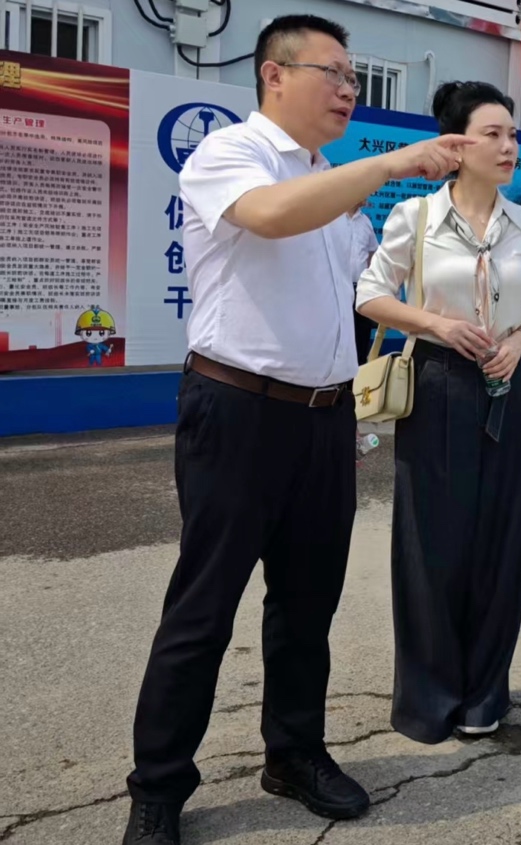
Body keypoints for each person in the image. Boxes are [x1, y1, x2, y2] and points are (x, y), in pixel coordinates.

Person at [122, 16, 472, 844]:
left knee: (307, 603)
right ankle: (158, 786)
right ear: (274, 75)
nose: (350, 90)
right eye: (335, 73)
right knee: (203, 607)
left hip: (324, 420)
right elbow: (272, 217)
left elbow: (360, 294)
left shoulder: (333, 187)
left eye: (354, 77)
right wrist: (388, 164)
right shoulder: (231, 154)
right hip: (237, 412)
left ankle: (294, 752)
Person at [355, 81, 521, 743]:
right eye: (493, 134)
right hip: (437, 384)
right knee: (430, 542)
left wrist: (520, 342)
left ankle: (484, 692)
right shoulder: (415, 216)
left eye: (513, 134)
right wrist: (435, 324)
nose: (509, 146)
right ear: (457, 145)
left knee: (503, 537)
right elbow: (370, 294)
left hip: (507, 387)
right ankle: (429, 696)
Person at [349, 199, 380, 365]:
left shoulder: (365, 222)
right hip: (340, 290)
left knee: (360, 341)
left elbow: (372, 252)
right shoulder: (334, 220)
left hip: (359, 290)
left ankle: (358, 376)